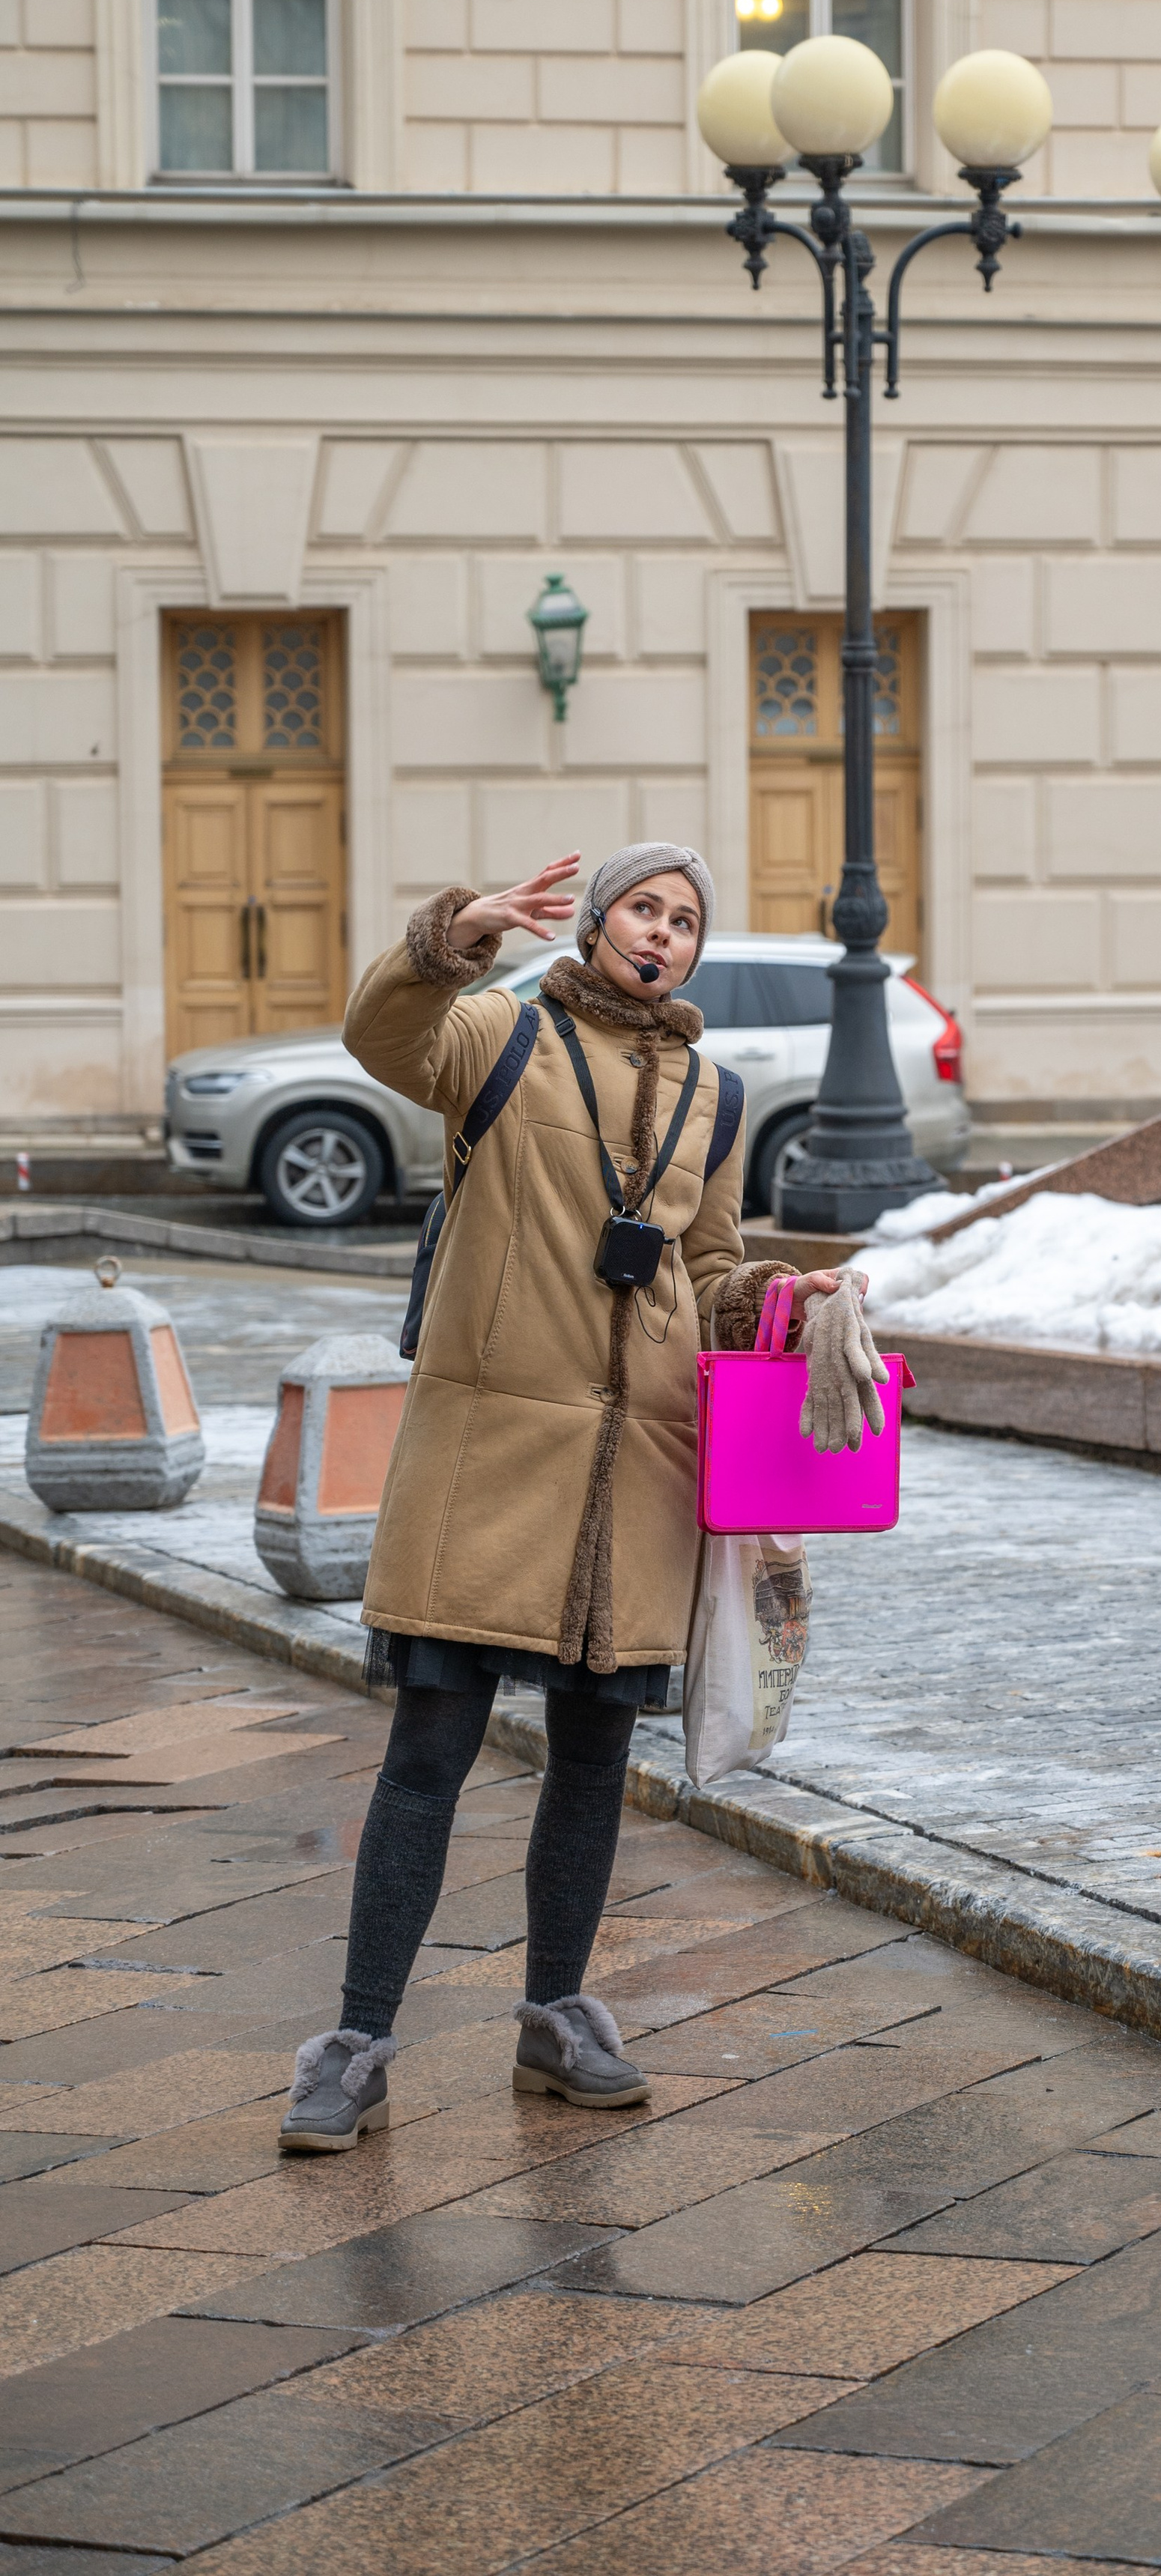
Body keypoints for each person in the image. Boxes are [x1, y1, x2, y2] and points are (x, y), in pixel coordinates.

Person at [279, 844, 857, 2151]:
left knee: (595, 1757)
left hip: (635, 1464)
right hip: (487, 1452)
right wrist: (448, 940)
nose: (661, 933)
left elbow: (704, 1269)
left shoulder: (717, 1087)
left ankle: (557, 2017)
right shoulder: (498, 1034)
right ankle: (357, 2043)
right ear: (599, 924)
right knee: (429, 1749)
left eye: (685, 920)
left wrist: (775, 1300)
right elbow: (386, 1033)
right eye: (644, 909)